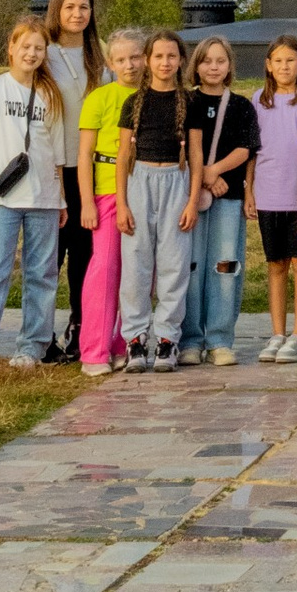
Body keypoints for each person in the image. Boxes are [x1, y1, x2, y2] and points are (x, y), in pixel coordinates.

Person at [0, 19, 72, 369]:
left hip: (44, 199)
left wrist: (62, 198)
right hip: (2, 199)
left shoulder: (51, 95)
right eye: (26, 46)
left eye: (39, 48)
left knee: (42, 275)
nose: (32, 53)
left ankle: (31, 348)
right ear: (11, 47)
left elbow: (57, 154)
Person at [118, 30, 202, 371]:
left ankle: (167, 339)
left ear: (180, 60)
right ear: (148, 61)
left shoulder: (189, 102)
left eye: (171, 56)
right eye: (158, 56)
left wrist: (192, 201)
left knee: (174, 264)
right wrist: (122, 203)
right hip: (140, 181)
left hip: (176, 182)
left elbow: (196, 156)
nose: (165, 63)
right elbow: (124, 155)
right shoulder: (134, 102)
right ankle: (136, 340)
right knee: (136, 264)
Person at [182, 40, 259, 364]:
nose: (214, 67)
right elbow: (182, 147)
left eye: (220, 61)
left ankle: (220, 339)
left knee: (225, 265)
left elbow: (246, 148)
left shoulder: (241, 105)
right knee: (192, 265)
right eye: (207, 61)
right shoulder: (185, 102)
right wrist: (204, 178)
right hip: (192, 197)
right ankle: (190, 340)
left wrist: (213, 171)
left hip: (229, 197)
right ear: (196, 65)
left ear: (229, 65)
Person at [44, 0, 106, 363]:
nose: (77, 14)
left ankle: (81, 327)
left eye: (83, 7)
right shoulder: (45, 54)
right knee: (50, 257)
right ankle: (40, 333)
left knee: (85, 257)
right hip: (52, 167)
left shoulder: (99, 56)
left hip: (90, 169)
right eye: (69, 7)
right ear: (57, 10)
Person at [75, 26, 142, 372]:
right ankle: (94, 349)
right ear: (109, 63)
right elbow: (84, 154)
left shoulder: (156, 94)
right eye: (121, 59)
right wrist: (87, 201)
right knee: (105, 267)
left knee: (138, 271)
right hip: (106, 190)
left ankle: (123, 342)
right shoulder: (99, 98)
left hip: (146, 188)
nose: (129, 65)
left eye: (135, 57)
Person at [252, 36, 297, 363]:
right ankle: (277, 333)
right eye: (278, 61)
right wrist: (250, 189)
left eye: (290, 60)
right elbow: (252, 151)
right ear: (268, 65)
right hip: (268, 194)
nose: (284, 67)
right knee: (275, 264)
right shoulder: (258, 100)